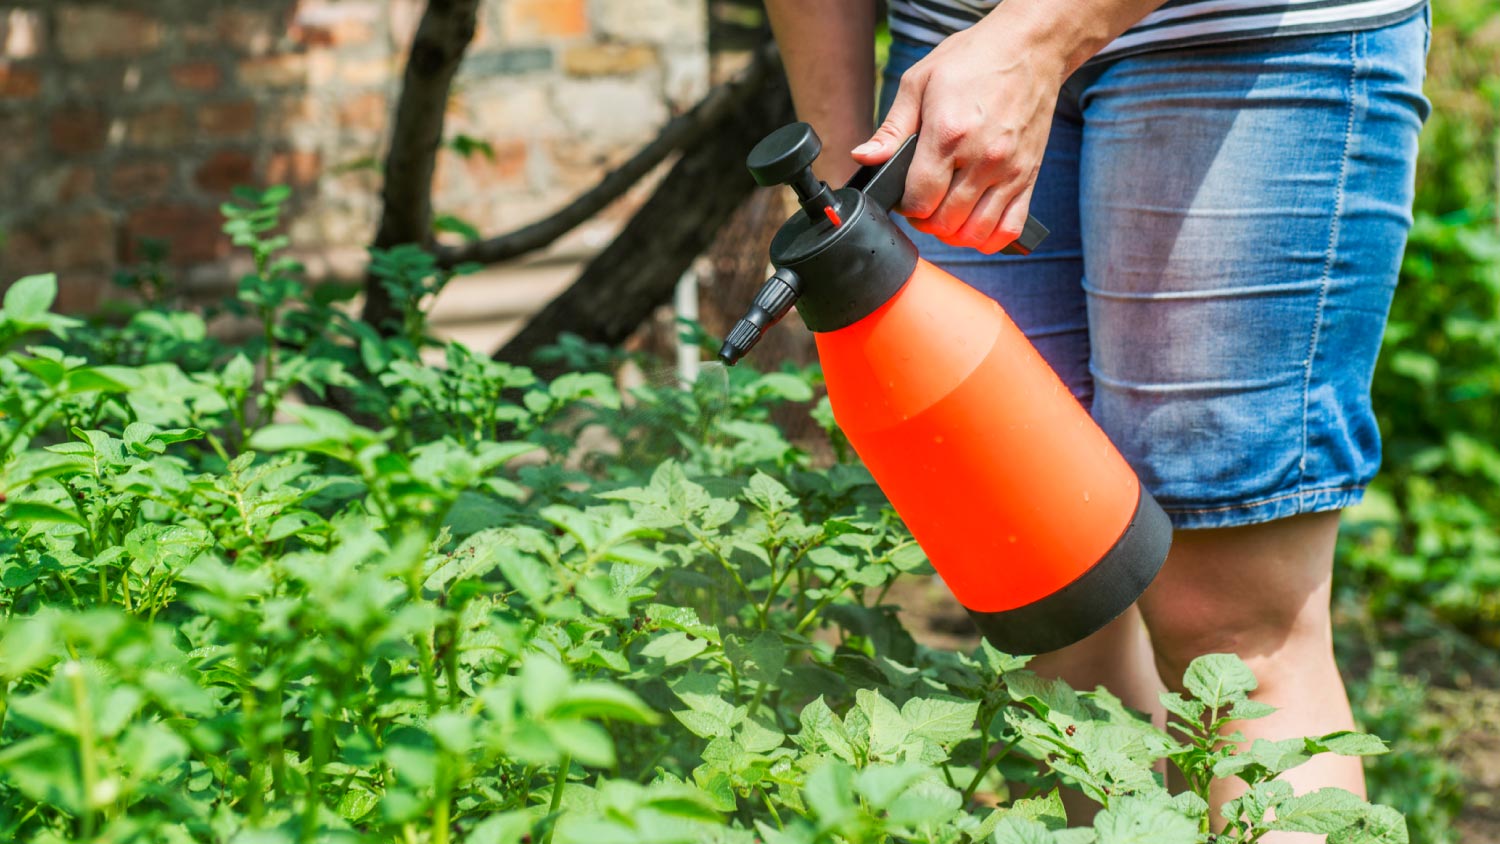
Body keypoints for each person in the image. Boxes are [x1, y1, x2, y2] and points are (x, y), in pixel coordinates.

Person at [763, 0, 1431, 836]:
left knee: (1234, 630)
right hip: (954, 60)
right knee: (1058, 606)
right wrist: (839, 160)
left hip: (1247, 36)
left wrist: (1036, 39)